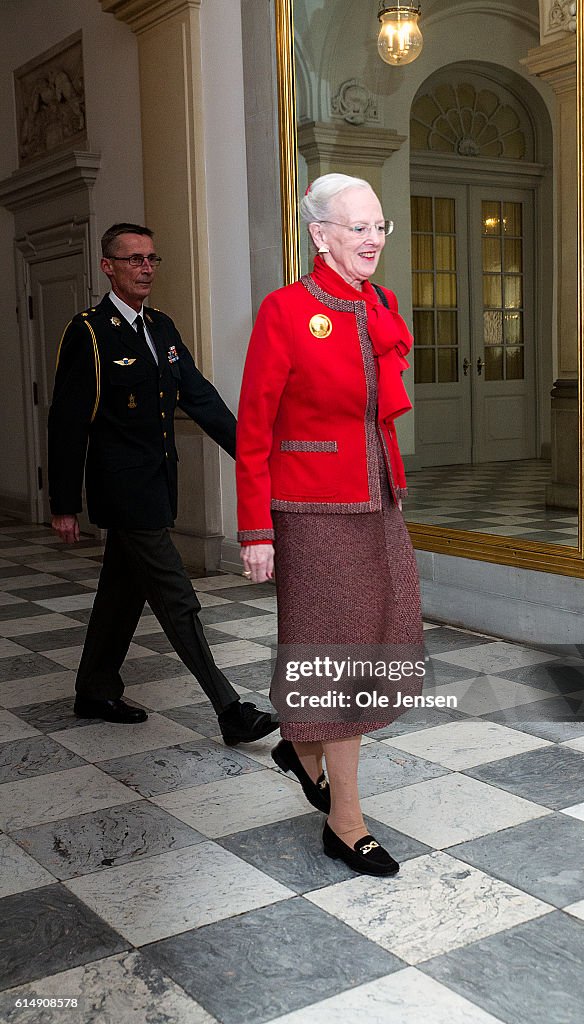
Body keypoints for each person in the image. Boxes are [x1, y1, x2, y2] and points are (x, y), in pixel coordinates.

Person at [236, 175, 424, 875]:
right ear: (320, 234)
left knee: (378, 642)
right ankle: (344, 819)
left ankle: (302, 744)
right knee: (336, 659)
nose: (373, 239)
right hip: (311, 511)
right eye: (357, 227)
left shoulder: (379, 302)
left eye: (380, 226)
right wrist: (255, 529)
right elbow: (253, 426)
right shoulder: (286, 310)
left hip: (376, 505)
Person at [48, 222, 278, 746]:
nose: (145, 268)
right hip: (122, 492)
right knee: (177, 597)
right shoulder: (88, 331)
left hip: (158, 483)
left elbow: (198, 397)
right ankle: (229, 710)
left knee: (121, 594)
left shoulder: (163, 328)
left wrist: (254, 456)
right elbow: (66, 422)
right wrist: (64, 503)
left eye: (151, 258)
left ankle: (95, 688)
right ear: (108, 266)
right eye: (133, 259)